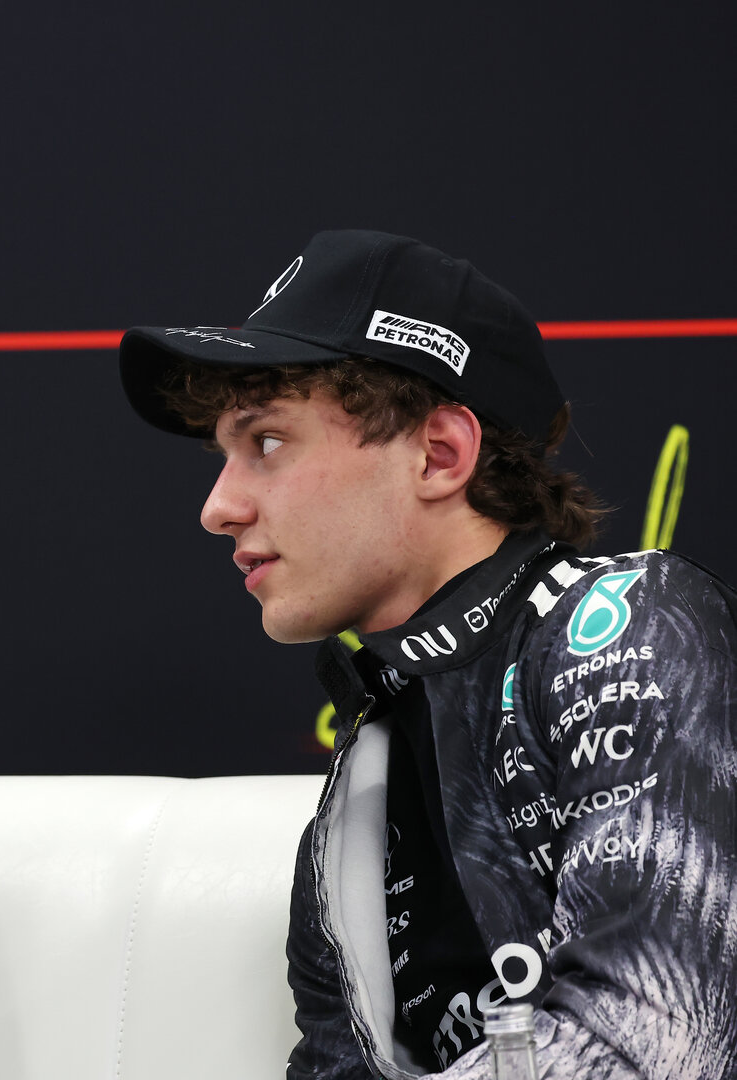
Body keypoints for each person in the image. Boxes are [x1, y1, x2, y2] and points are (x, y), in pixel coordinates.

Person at [119, 229, 737, 1078]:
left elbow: (651, 1041)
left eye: (265, 442)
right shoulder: (357, 799)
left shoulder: (632, 623)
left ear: (440, 454)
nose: (218, 508)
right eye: (223, 455)